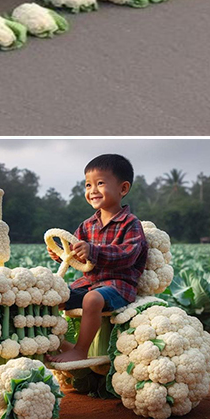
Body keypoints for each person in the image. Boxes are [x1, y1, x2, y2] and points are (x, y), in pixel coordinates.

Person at [49, 154, 147, 365]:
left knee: (91, 299)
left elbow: (128, 255)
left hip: (119, 285)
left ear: (123, 188)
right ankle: (59, 342)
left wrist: (93, 251)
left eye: (100, 183)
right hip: (90, 284)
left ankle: (81, 350)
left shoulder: (130, 223)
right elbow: (73, 252)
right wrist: (60, 254)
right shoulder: (86, 225)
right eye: (88, 185)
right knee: (54, 296)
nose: (92, 190)